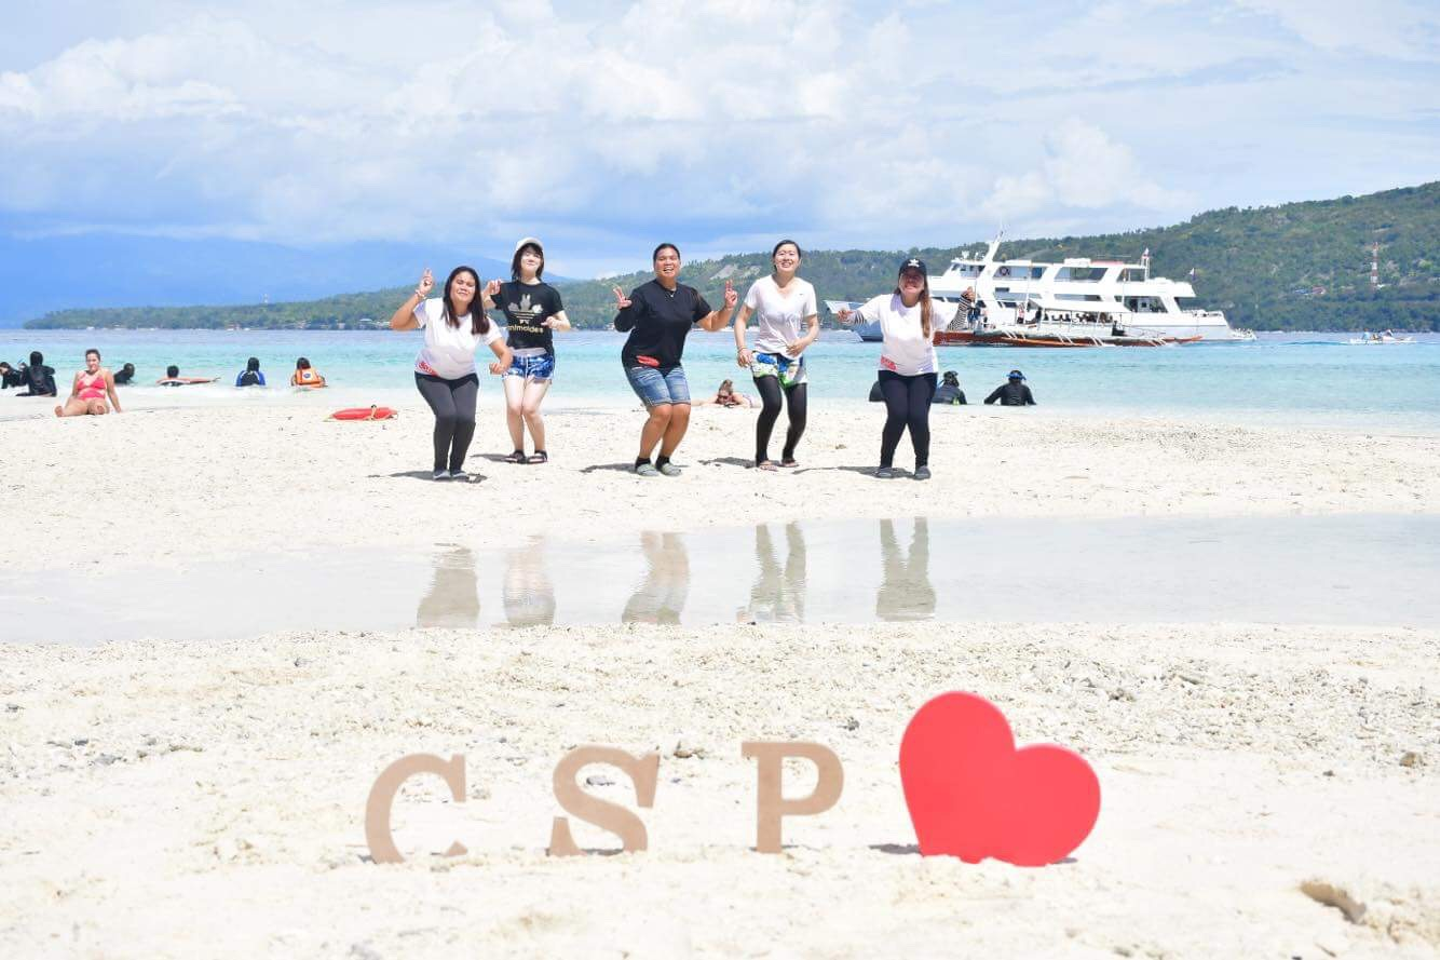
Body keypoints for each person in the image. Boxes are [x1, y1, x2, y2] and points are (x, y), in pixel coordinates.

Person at [612, 243, 737, 477]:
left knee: (681, 411)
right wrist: (624, 311)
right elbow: (622, 326)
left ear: (679, 263)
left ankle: (664, 459)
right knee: (662, 411)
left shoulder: (689, 295)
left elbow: (712, 324)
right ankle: (642, 460)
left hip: (670, 364)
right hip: (640, 361)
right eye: (662, 259)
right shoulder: (643, 293)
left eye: (672, 258)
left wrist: (728, 308)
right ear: (654, 265)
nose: (667, 262)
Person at [389, 265, 513, 481]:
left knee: (466, 420)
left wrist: (502, 365)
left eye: (470, 284)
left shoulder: (481, 320)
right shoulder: (433, 307)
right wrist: (419, 294)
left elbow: (505, 353)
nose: (464, 287)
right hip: (430, 373)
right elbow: (397, 324)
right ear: (450, 285)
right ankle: (440, 467)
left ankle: (456, 467)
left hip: (464, 377)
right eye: (460, 282)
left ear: (475, 292)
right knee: (447, 415)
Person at [835, 258, 949, 480]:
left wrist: (964, 305)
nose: (911, 280)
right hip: (891, 371)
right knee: (897, 414)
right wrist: (846, 317)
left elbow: (955, 325)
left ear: (924, 283)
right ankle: (885, 463)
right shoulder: (884, 302)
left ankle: (922, 464)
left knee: (918, 416)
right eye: (907, 276)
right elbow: (858, 317)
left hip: (924, 372)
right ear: (899, 280)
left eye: (917, 277)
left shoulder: (932, 306)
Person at [482, 237, 570, 465]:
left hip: (542, 357)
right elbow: (479, 306)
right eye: (527, 253)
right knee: (514, 407)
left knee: (529, 408)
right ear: (518, 259)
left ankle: (541, 450)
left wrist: (555, 323)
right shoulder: (506, 290)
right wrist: (487, 291)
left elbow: (567, 325)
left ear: (541, 261)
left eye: (536, 255)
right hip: (513, 357)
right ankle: (518, 451)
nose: (532, 258)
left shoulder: (549, 293)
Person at [733, 239, 818, 470]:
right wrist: (742, 348)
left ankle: (788, 453)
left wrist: (805, 341)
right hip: (764, 355)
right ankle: (761, 456)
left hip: (793, 357)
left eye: (791, 254)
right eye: (781, 253)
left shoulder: (806, 288)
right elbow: (741, 319)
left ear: (799, 261)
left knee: (799, 417)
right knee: (773, 404)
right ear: (774, 259)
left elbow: (814, 326)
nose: (786, 257)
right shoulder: (760, 286)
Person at [55, 348, 122, 417]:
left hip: (98, 399)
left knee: (97, 403)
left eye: (94, 360)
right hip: (82, 402)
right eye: (88, 361)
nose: (91, 363)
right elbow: (73, 395)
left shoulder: (105, 372)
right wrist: (66, 408)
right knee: (75, 406)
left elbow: (111, 393)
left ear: (99, 361)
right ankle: (64, 413)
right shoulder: (79, 374)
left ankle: (99, 411)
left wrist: (118, 410)